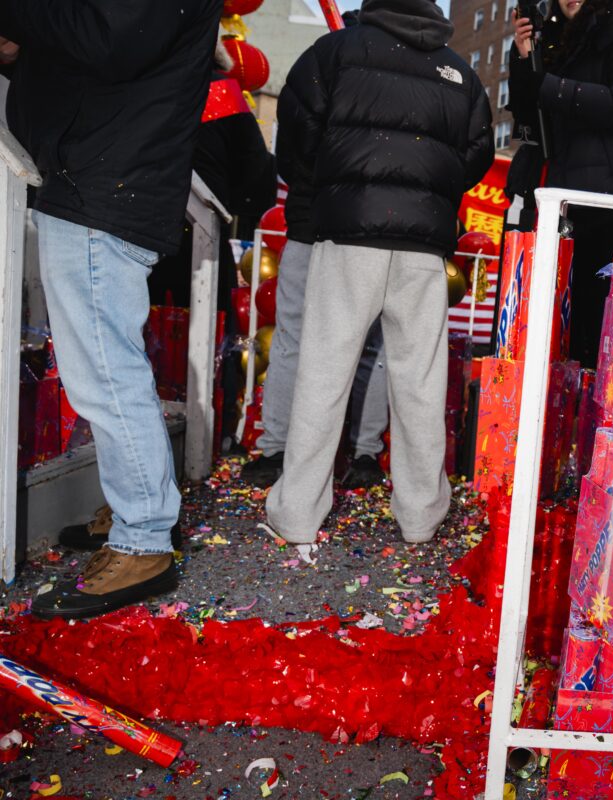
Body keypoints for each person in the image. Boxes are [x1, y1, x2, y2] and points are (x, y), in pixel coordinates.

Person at [0, 0, 223, 619]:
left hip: (104, 180)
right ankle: (142, 512)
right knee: (105, 367)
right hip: (102, 173)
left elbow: (108, 38)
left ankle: (144, 534)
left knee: (103, 372)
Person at [263, 0, 493, 549]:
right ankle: (420, 516)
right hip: (423, 245)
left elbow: (294, 139)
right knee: (419, 382)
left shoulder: (335, 52)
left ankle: (297, 513)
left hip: (348, 237)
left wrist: (335, 190)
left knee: (324, 373)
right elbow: (476, 157)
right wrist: (429, 193)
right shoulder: (459, 73)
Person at [243, 11, 391, 492]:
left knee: (296, 338)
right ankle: (362, 453)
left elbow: (293, 139)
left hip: (321, 218)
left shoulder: (325, 56)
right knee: (369, 345)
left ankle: (282, 449)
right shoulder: (426, 62)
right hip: (376, 224)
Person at [507, 0, 613, 368]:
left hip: (609, 200)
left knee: (594, 324)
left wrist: (549, 85)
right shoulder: (554, 41)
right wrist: (525, 58)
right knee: (558, 327)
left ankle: (591, 414)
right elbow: (530, 116)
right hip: (563, 199)